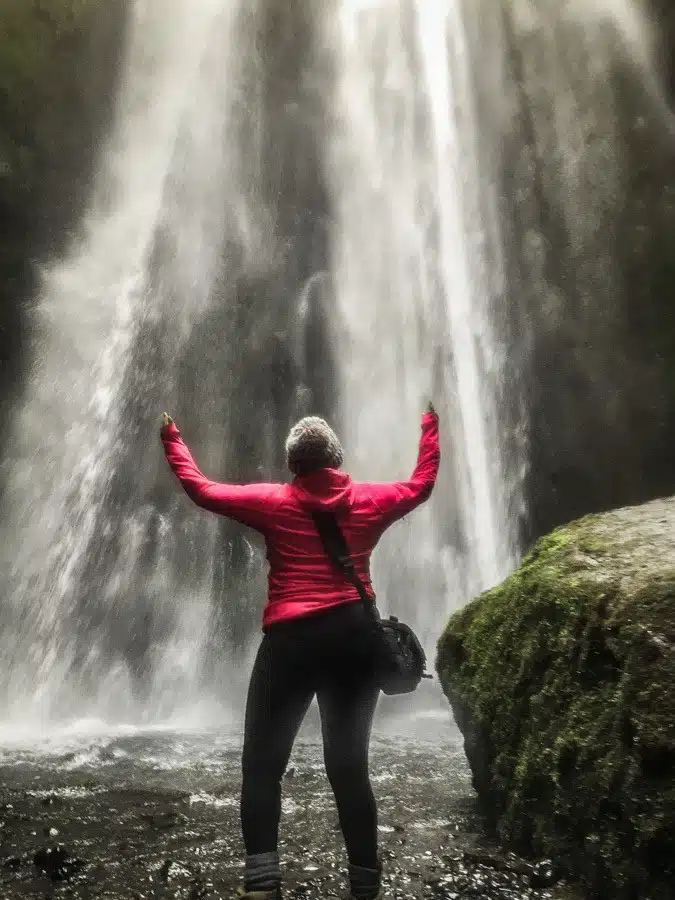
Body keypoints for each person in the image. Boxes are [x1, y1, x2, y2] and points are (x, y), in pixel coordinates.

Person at [160, 404, 440, 900]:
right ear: (338, 460)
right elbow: (421, 485)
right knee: (349, 767)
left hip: (291, 642)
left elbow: (202, 489)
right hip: (354, 638)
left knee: (263, 765)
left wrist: (172, 439)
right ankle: (364, 885)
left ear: (293, 466)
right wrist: (428, 427)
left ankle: (264, 884)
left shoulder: (273, 502)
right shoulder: (370, 501)